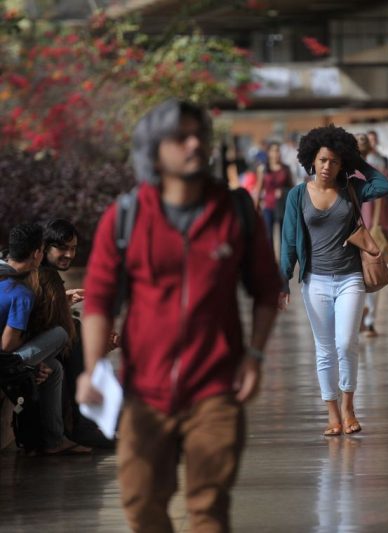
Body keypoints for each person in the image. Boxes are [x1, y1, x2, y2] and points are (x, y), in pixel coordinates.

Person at [77, 99, 281, 532]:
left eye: (199, 135)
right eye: (180, 137)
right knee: (140, 504)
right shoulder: (126, 217)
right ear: (154, 149)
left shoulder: (235, 211)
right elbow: (98, 299)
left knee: (208, 509)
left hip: (215, 387)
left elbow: (266, 289)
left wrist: (256, 356)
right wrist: (92, 367)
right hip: (143, 391)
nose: (194, 145)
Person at [280, 124, 388, 436]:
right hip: (314, 282)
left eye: (335, 161)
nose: (328, 166)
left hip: (350, 278)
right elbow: (289, 241)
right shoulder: (297, 195)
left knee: (346, 343)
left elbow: (383, 186)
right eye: (323, 160)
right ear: (311, 161)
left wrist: (357, 162)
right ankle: (331, 411)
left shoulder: (351, 189)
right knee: (325, 349)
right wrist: (282, 280)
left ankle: (348, 405)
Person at [0, 223, 90, 455]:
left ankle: (53, 441)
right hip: (5, 362)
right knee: (61, 333)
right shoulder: (21, 292)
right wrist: (32, 361)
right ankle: (75, 426)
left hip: (8, 359)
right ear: (37, 253)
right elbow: (7, 345)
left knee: (54, 369)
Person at [29, 219, 117, 448]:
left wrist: (63, 304)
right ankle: (84, 424)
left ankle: (90, 421)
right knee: (74, 333)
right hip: (29, 351)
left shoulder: (45, 274)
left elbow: (43, 316)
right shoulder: (45, 276)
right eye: (62, 248)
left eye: (73, 248)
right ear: (45, 248)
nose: (69, 254)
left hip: (39, 346)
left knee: (76, 329)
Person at [355, 133, 388, 337]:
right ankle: (369, 322)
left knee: (355, 278)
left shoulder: (347, 175)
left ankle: (357, 315)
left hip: (352, 234)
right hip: (376, 234)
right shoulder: (380, 173)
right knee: (372, 277)